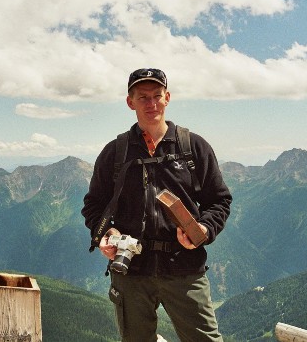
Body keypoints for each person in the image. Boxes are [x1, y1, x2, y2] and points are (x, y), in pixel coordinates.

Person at [82, 68, 232, 342]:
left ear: (168, 98)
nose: (151, 104)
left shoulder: (193, 147)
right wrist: (105, 233)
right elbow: (93, 205)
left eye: (157, 96)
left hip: (184, 268)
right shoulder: (115, 153)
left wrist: (204, 229)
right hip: (131, 272)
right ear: (130, 102)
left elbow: (219, 200)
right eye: (143, 98)